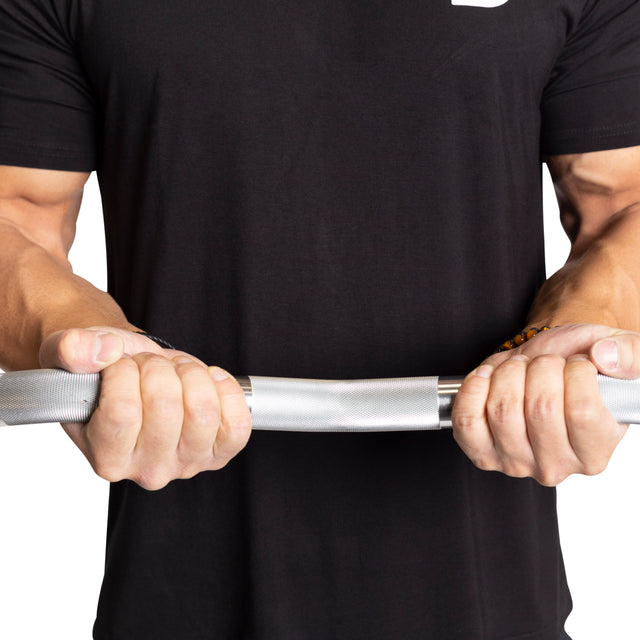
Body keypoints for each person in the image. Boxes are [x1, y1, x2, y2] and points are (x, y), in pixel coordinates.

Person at [0, 1, 639, 638]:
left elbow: (623, 204)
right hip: (179, 597)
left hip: (490, 601)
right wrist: (93, 343)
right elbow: (16, 213)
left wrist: (568, 336)